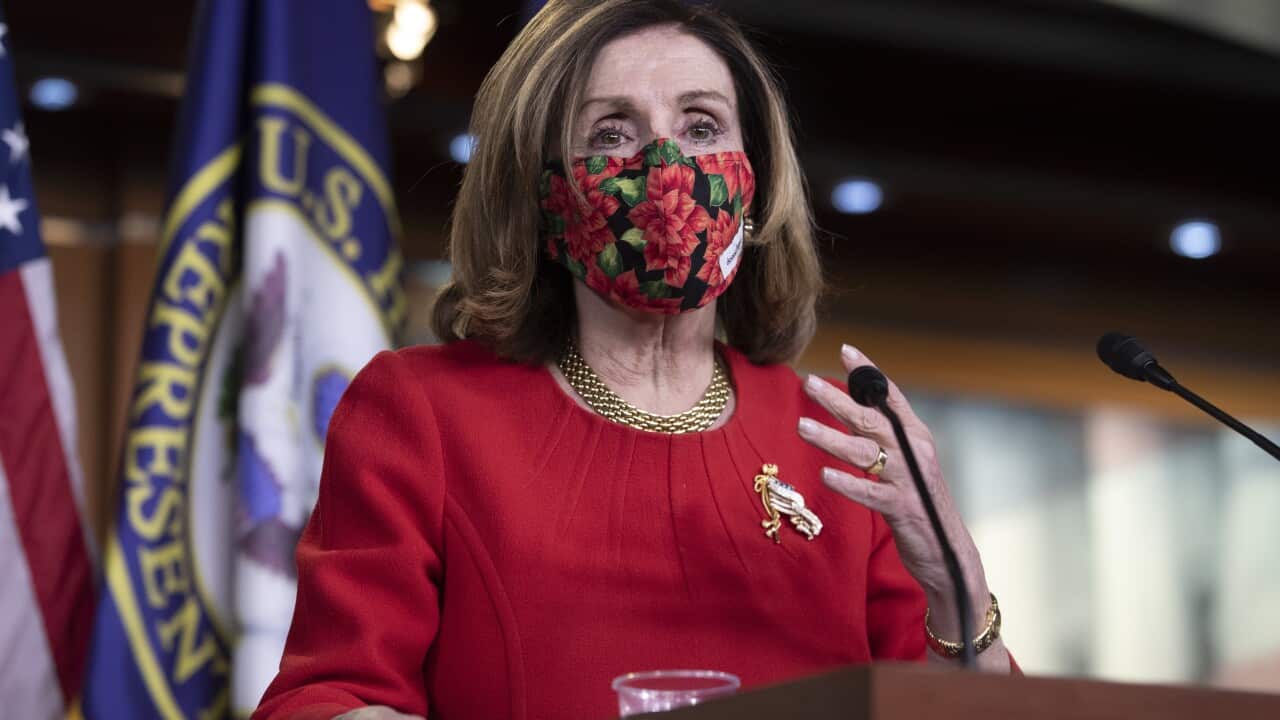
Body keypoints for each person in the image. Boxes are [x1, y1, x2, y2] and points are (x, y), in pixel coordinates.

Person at [254, 1, 1012, 718]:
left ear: (757, 183)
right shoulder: (425, 413)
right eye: (612, 133)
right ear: (543, 193)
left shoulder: (836, 440)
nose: (665, 165)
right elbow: (326, 697)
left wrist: (955, 584)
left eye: (701, 124)